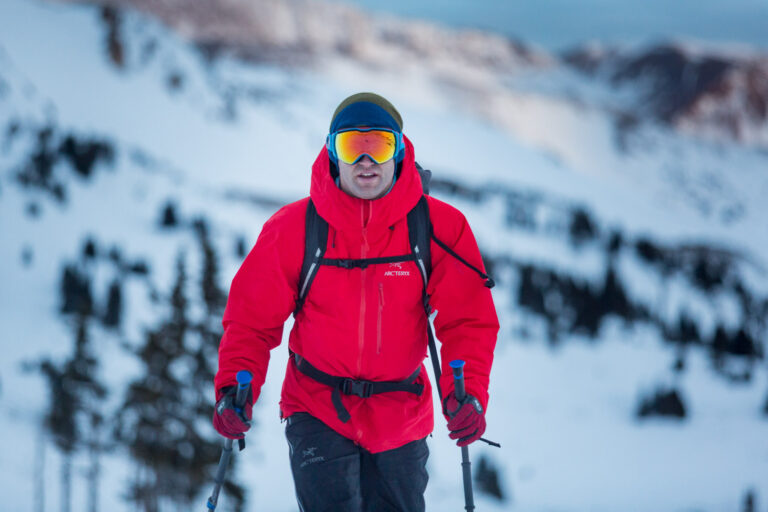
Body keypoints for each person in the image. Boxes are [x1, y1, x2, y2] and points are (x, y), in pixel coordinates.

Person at [212, 92, 499, 512]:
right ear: (333, 153)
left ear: (398, 152)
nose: (366, 160)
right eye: (351, 145)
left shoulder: (438, 227)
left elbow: (468, 320)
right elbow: (251, 321)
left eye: (379, 144)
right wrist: (233, 390)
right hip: (316, 407)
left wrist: (468, 392)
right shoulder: (293, 228)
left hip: (401, 413)